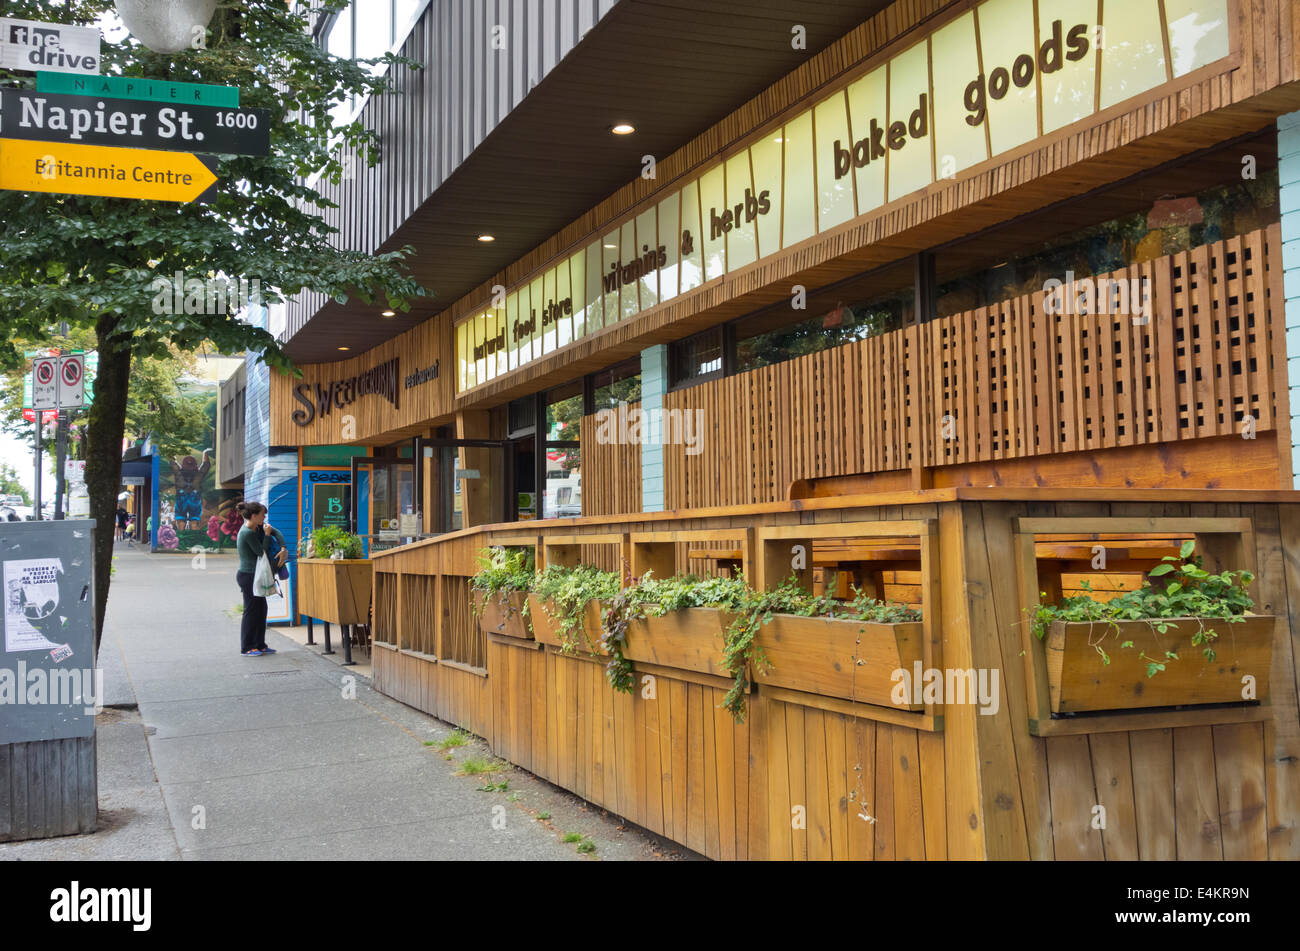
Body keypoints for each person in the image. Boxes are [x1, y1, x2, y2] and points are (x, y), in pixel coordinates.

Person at [235, 501, 288, 657]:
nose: (264, 517)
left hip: (257, 574)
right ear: (254, 515)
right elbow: (261, 552)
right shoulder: (247, 533)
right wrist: (266, 535)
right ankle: (247, 647)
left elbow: (276, 532)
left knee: (261, 610)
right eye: (262, 514)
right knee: (250, 611)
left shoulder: (258, 526)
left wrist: (283, 547)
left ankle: (260, 644)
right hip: (248, 575)